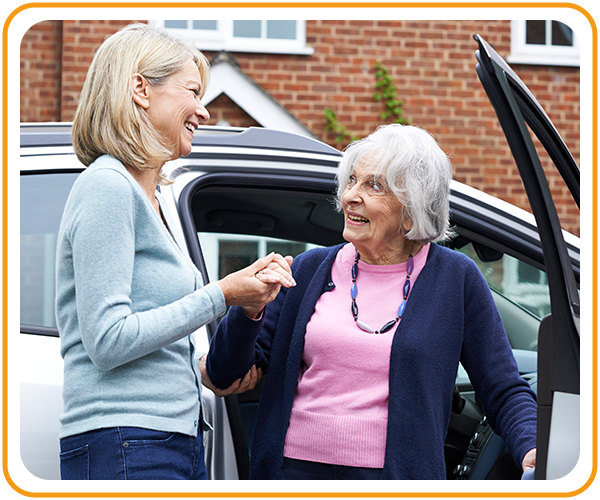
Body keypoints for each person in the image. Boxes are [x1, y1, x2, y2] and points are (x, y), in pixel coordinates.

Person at [202, 124, 537, 482]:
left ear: (412, 208)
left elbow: (502, 387)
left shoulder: (455, 278)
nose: (349, 196)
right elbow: (225, 373)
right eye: (351, 181)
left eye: (373, 185)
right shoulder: (307, 270)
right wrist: (250, 309)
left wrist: (533, 448)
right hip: (291, 473)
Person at [55, 23, 293, 483]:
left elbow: (145, 326)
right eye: (191, 91)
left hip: (167, 440)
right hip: (129, 441)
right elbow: (107, 341)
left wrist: (196, 366)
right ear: (141, 89)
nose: (203, 111)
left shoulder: (151, 200)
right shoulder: (107, 186)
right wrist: (221, 294)